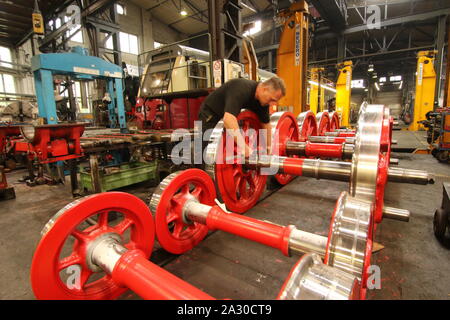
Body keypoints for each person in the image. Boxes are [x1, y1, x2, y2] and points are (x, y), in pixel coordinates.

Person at [197, 76, 286, 159]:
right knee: (206, 150)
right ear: (264, 89)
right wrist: (244, 147)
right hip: (211, 114)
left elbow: (266, 125)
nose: (271, 104)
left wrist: (268, 148)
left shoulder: (263, 103)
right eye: (272, 99)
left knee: (226, 146)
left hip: (226, 116)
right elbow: (228, 120)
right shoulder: (241, 88)